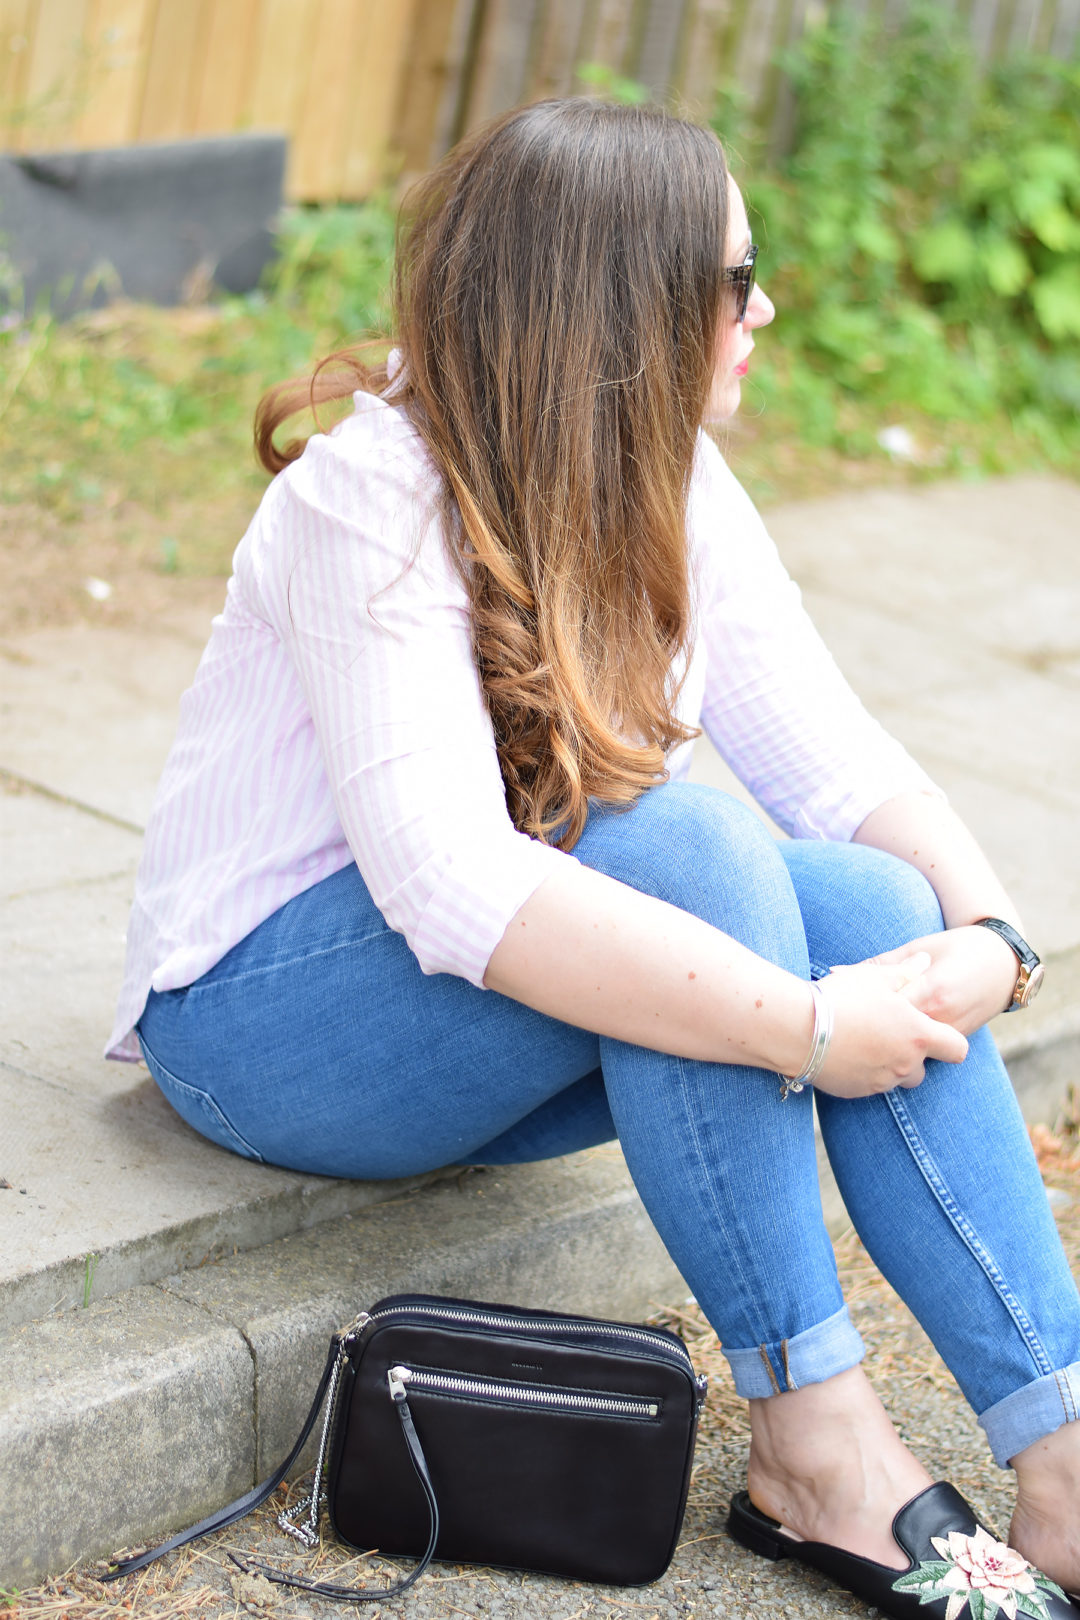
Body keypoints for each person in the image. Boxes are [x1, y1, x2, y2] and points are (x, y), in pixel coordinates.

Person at [107, 99, 1080, 1615]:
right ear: (619, 303)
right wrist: (809, 1033)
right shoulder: (368, 502)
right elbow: (452, 883)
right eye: (734, 277)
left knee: (873, 901)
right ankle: (815, 1444)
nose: (765, 308)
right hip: (262, 1024)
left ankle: (1066, 1455)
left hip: (485, 1018)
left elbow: (839, 764)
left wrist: (992, 931)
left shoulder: (672, 475)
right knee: (685, 853)